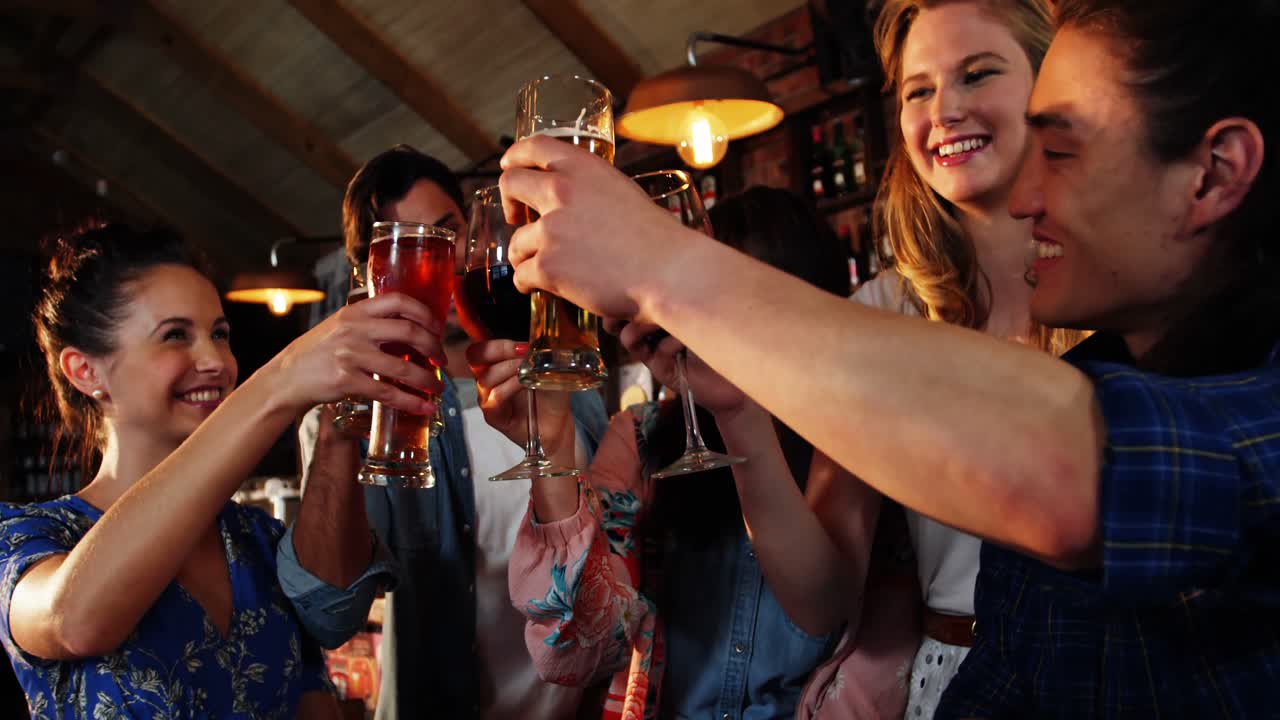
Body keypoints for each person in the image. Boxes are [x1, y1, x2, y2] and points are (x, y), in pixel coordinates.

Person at [494, 0, 1280, 715]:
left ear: (1215, 173)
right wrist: (738, 410)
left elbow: (1084, 474)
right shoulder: (967, 324)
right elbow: (845, 604)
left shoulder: (1231, 393)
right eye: (915, 89)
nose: (1030, 196)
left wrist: (661, 263)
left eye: (1061, 147)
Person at [470, 187, 919, 719]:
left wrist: (740, 411)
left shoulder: (851, 436)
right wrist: (550, 443)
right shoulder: (642, 435)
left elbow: (830, 613)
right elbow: (576, 653)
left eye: (741, 298)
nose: (712, 320)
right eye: (700, 296)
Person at [1, 223, 445, 717]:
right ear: (86, 371)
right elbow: (74, 621)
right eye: (175, 336)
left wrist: (339, 424)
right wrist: (279, 382)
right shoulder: (28, 538)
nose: (214, 360)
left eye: (219, 334)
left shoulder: (255, 540)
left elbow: (332, 633)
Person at [803, 2, 1084, 717]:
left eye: (977, 75)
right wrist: (739, 422)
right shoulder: (881, 312)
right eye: (918, 90)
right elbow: (818, 598)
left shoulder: (1119, 278)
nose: (945, 110)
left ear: (1051, 84)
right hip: (955, 674)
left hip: (1112, 660)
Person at [275, 145, 609, 720]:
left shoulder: (567, 393)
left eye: (448, 231)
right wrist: (340, 423)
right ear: (373, 273)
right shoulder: (351, 418)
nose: (438, 259)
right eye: (407, 243)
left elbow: (614, 574)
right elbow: (333, 616)